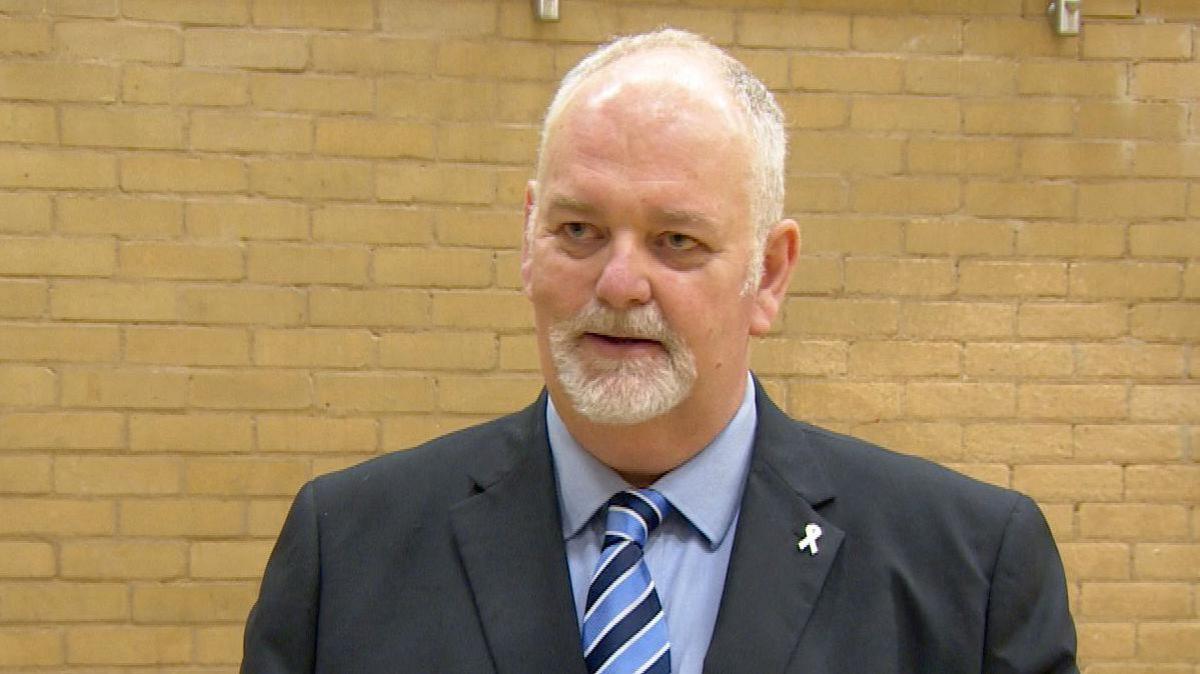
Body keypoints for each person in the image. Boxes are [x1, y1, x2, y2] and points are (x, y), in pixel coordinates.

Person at [241, 29, 1078, 674]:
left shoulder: (967, 573)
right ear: (528, 242)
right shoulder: (346, 552)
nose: (619, 283)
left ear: (770, 274)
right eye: (579, 231)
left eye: (676, 241)